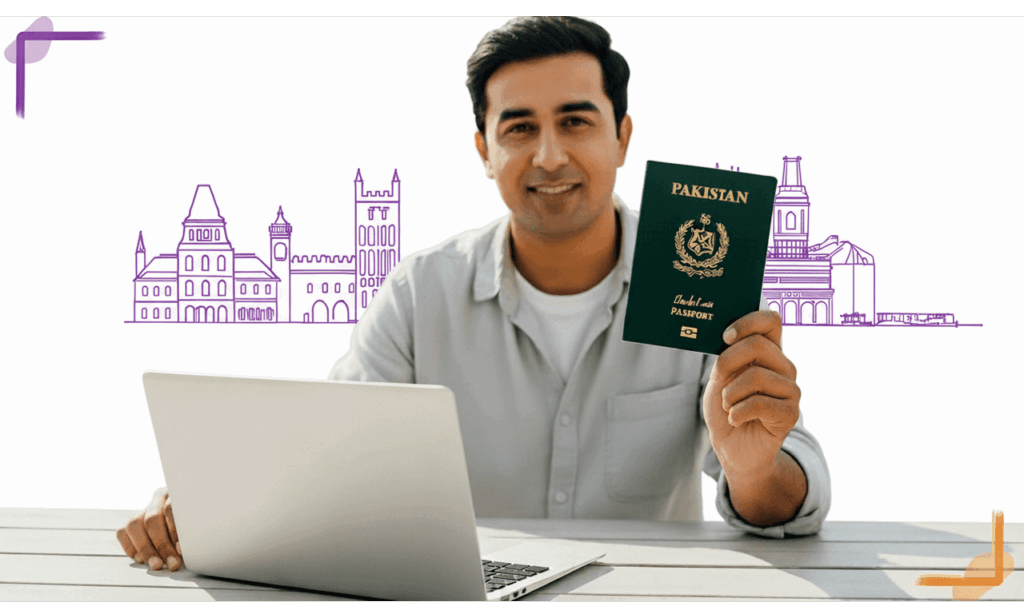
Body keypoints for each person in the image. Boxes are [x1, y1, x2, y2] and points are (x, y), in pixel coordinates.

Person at [116, 16, 831, 573]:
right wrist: (208, 501)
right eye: (519, 128)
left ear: (622, 137)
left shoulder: (701, 277)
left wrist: (750, 467)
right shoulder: (419, 295)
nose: (549, 156)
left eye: (575, 121)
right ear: (485, 151)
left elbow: (793, 499)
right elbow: (327, 461)